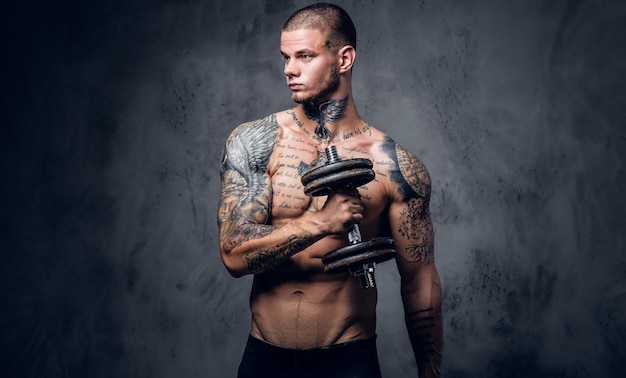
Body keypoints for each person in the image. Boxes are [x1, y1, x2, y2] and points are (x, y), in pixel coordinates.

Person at [218, 3, 442, 377]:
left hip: (348, 360)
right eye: (286, 57)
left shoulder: (394, 166)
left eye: (305, 56)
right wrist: (321, 223)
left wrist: (430, 371)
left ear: (344, 59)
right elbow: (233, 255)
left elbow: (419, 278)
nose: (289, 69)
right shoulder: (257, 141)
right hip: (264, 359)